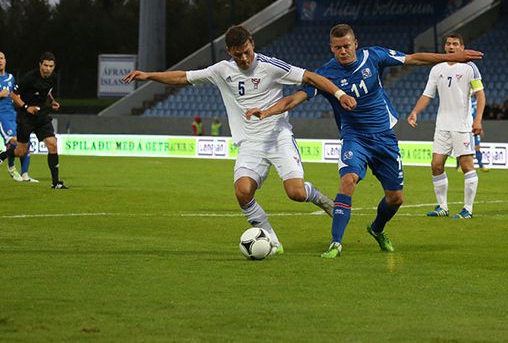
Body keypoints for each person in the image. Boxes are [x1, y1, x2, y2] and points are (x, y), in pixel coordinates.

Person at [246, 23, 483, 258]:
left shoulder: (373, 56)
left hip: (384, 137)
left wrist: (452, 58)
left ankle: (377, 229)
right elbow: (293, 99)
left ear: (355, 44)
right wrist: (266, 112)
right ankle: (336, 243)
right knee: (348, 180)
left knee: (395, 199)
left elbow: (413, 59)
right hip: (354, 137)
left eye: (347, 46)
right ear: (331, 48)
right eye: (338, 47)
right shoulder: (325, 74)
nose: (343, 51)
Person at [123, 25, 357, 254]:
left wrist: (339, 94)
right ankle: (271, 241)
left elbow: (311, 77)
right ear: (229, 52)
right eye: (238, 55)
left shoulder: (270, 66)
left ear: (252, 44)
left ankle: (322, 200)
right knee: (243, 192)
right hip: (249, 143)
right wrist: (149, 76)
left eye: (247, 52)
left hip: (278, 138)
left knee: (296, 193)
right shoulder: (221, 70)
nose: (244, 58)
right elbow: (183, 77)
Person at [407, 33, 486, 220]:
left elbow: (480, 95)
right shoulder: (437, 69)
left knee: (467, 166)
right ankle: (442, 207)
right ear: (444, 47)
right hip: (442, 126)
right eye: (448, 43)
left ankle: (467, 209)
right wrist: (415, 111)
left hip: (462, 126)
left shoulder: (470, 67)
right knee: (436, 165)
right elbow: (427, 94)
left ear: (462, 47)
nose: (451, 46)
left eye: (455, 44)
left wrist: (477, 120)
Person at [0, 52, 68, 188]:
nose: (47, 69)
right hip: (26, 117)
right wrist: (26, 107)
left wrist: (52, 101)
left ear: (54, 67)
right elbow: (14, 95)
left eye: (50, 66)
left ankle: (56, 183)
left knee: (52, 144)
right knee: (21, 151)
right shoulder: (29, 78)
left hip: (41, 116)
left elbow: (47, 91)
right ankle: (4, 155)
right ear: (40, 65)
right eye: (45, 65)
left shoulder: (53, 78)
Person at [0, 52, 37, 182]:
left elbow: (15, 96)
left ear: (5, 60)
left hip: (13, 114)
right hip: (1, 116)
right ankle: (11, 167)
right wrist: (0, 94)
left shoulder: (11, 78)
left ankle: (25, 174)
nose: (0, 61)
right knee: (14, 141)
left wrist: (22, 103)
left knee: (26, 142)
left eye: (2, 58)